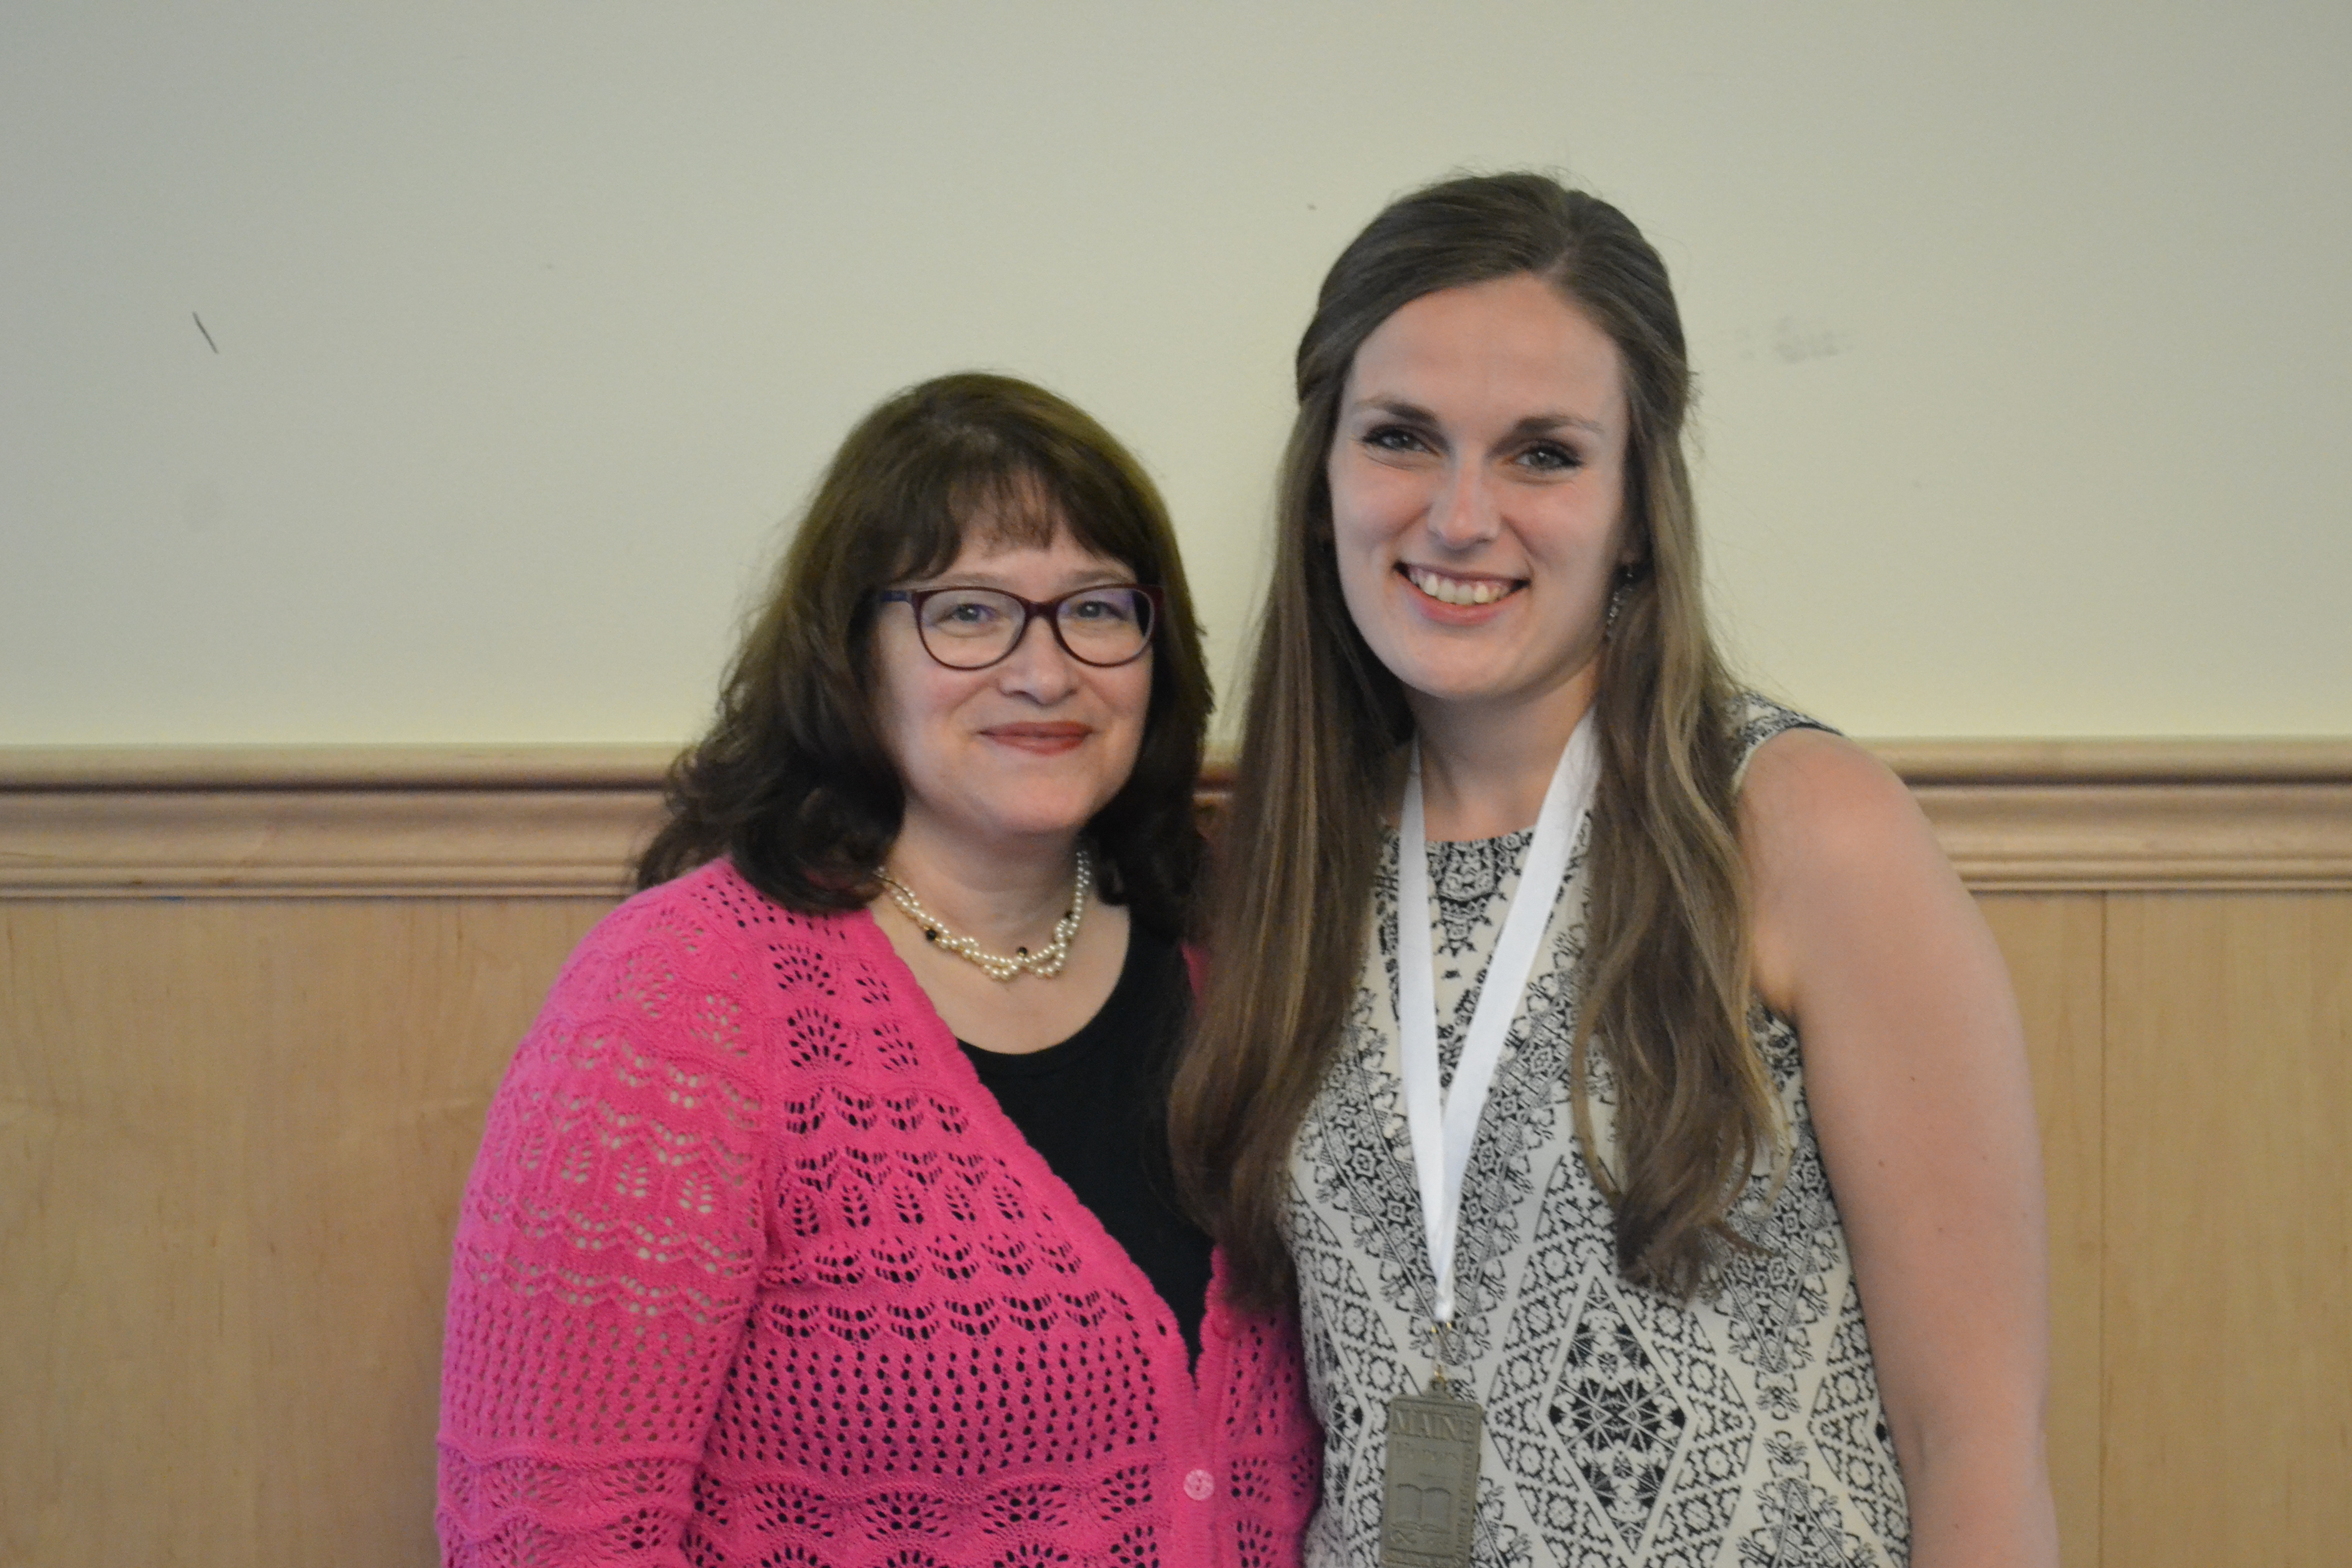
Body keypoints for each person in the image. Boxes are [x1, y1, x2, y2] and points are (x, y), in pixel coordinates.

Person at [1170, 175, 2057, 1567]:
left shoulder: (1796, 824)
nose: (1461, 516)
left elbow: (1979, 1446)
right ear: (1325, 479)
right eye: (1401, 438)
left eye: (1543, 454)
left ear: (1638, 508)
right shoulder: (1288, 866)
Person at [436, 373, 1319, 1567]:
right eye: (970, 612)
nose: (1045, 671)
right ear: (853, 653)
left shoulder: (1239, 949)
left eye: (1098, 608)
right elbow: (543, 1535)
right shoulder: (685, 997)